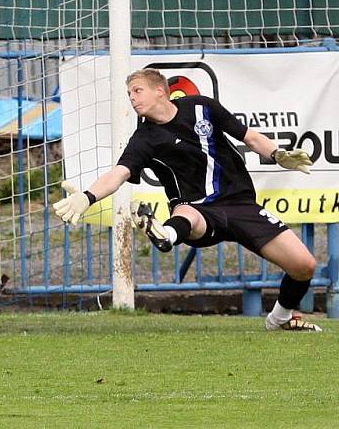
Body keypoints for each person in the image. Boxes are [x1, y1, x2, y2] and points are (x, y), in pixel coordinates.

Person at [53, 68, 321, 331]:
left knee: (304, 265)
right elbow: (118, 174)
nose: (132, 98)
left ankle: (280, 318)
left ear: (160, 91)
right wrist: (87, 197)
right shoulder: (144, 139)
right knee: (187, 214)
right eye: (129, 94)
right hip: (198, 211)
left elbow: (248, 136)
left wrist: (276, 154)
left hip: (240, 204)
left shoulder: (202, 107)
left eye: (137, 91)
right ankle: (165, 235)